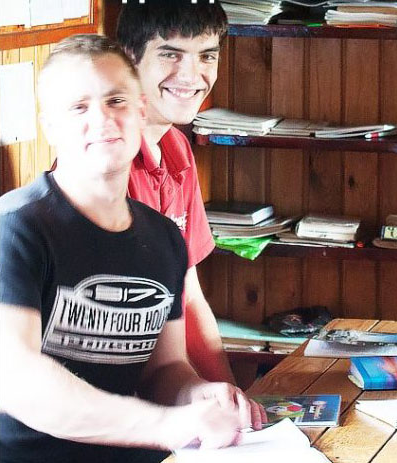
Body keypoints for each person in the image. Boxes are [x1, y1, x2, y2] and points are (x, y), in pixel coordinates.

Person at [0, 35, 264, 463]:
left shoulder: (164, 239)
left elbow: (164, 370)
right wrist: (165, 425)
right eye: (78, 107)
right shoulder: (15, 228)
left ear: (141, 110)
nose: (102, 119)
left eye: (116, 101)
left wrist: (199, 394)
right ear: (49, 127)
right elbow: (19, 380)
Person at [116, 0, 234, 383]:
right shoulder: (106, 163)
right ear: (129, 57)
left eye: (207, 56)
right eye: (171, 54)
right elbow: (128, 326)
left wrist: (230, 391)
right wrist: (198, 398)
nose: (192, 75)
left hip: (172, 389)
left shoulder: (177, 146)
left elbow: (188, 294)